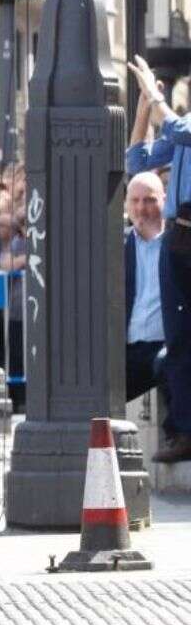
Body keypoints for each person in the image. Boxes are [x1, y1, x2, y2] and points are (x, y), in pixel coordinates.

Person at [125, 53, 191, 463]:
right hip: (181, 239)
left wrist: (155, 97)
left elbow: (180, 131)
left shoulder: (184, 127)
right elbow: (139, 161)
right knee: (180, 338)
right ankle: (183, 431)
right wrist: (142, 106)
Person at [125, 172, 167, 405]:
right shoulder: (115, 246)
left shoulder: (178, 246)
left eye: (149, 200)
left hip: (166, 348)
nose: (141, 208)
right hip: (125, 350)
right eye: (135, 200)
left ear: (164, 200)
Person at [0, 211, 28, 410]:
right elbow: (5, 264)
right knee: (15, 354)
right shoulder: (17, 243)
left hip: (34, 310)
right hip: (16, 309)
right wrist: (25, 257)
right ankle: (18, 398)